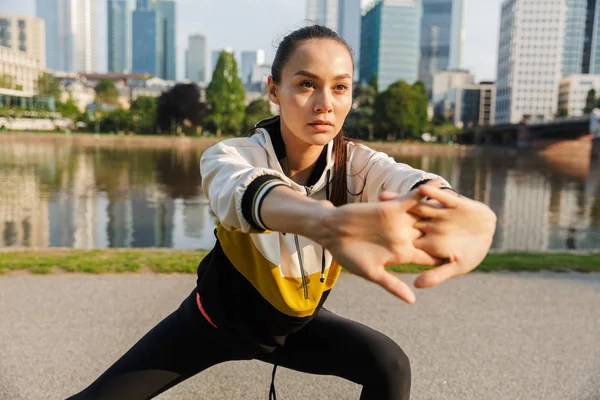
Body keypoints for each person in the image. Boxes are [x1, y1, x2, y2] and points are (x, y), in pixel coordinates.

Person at [66, 25, 496, 400]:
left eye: (340, 87)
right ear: (274, 90)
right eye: (306, 84)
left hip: (295, 329)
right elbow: (244, 192)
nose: (324, 103)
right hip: (214, 320)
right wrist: (322, 220)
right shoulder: (231, 155)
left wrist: (450, 204)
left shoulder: (358, 164)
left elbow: (403, 178)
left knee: (390, 365)